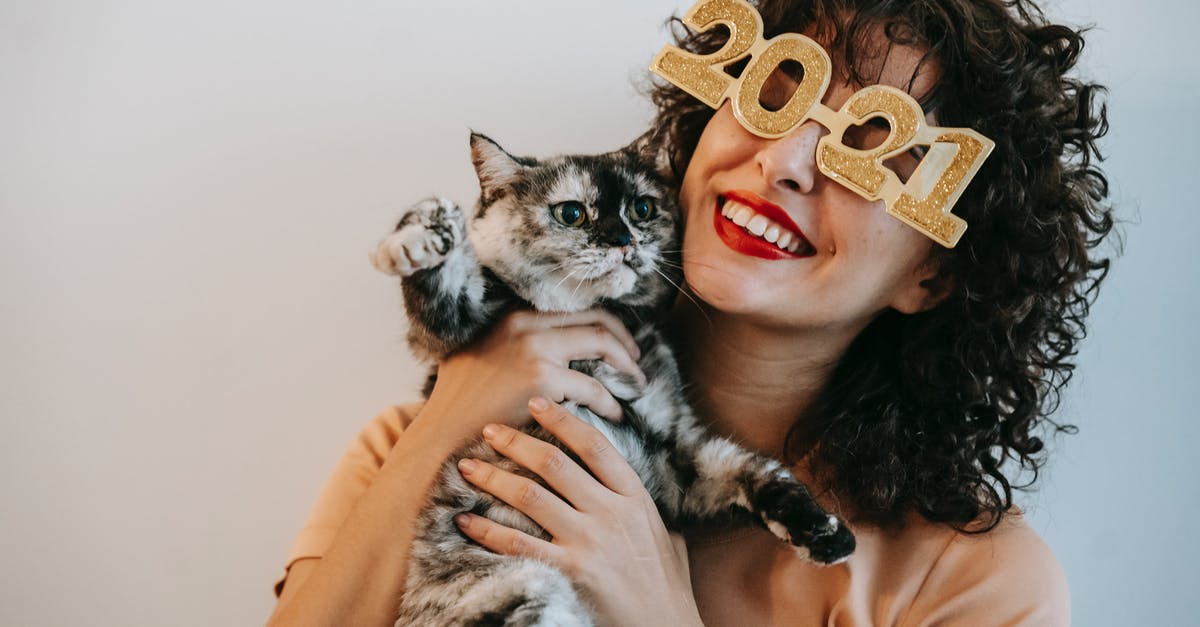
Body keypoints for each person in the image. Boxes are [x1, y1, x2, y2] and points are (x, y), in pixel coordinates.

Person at [268, 0, 1113, 624]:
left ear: (931, 277)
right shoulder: (416, 441)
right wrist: (451, 406)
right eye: (775, 93)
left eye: (869, 145)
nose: (784, 161)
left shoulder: (975, 583)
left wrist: (659, 610)